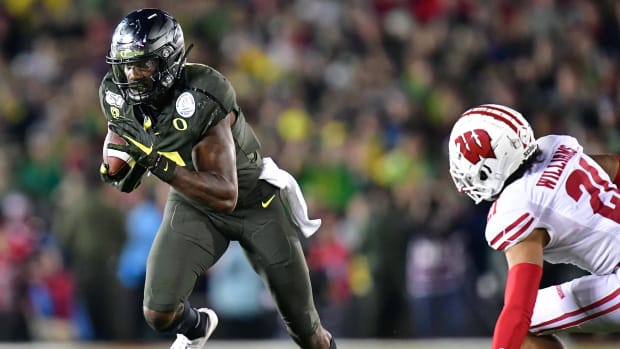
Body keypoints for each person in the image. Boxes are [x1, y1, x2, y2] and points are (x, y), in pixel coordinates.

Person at [97, 8, 336, 349]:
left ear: (169, 61)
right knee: (158, 311)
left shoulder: (203, 94)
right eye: (126, 65)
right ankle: (198, 328)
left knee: (307, 332)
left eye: (143, 64)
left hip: (255, 203)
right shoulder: (115, 94)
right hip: (194, 201)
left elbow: (226, 194)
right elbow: (122, 146)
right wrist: (121, 168)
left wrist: (153, 161)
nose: (132, 75)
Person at [447, 104, 620, 349]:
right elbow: (615, 166)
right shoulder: (556, 149)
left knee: (524, 325)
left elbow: (519, 310)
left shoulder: (516, 206)